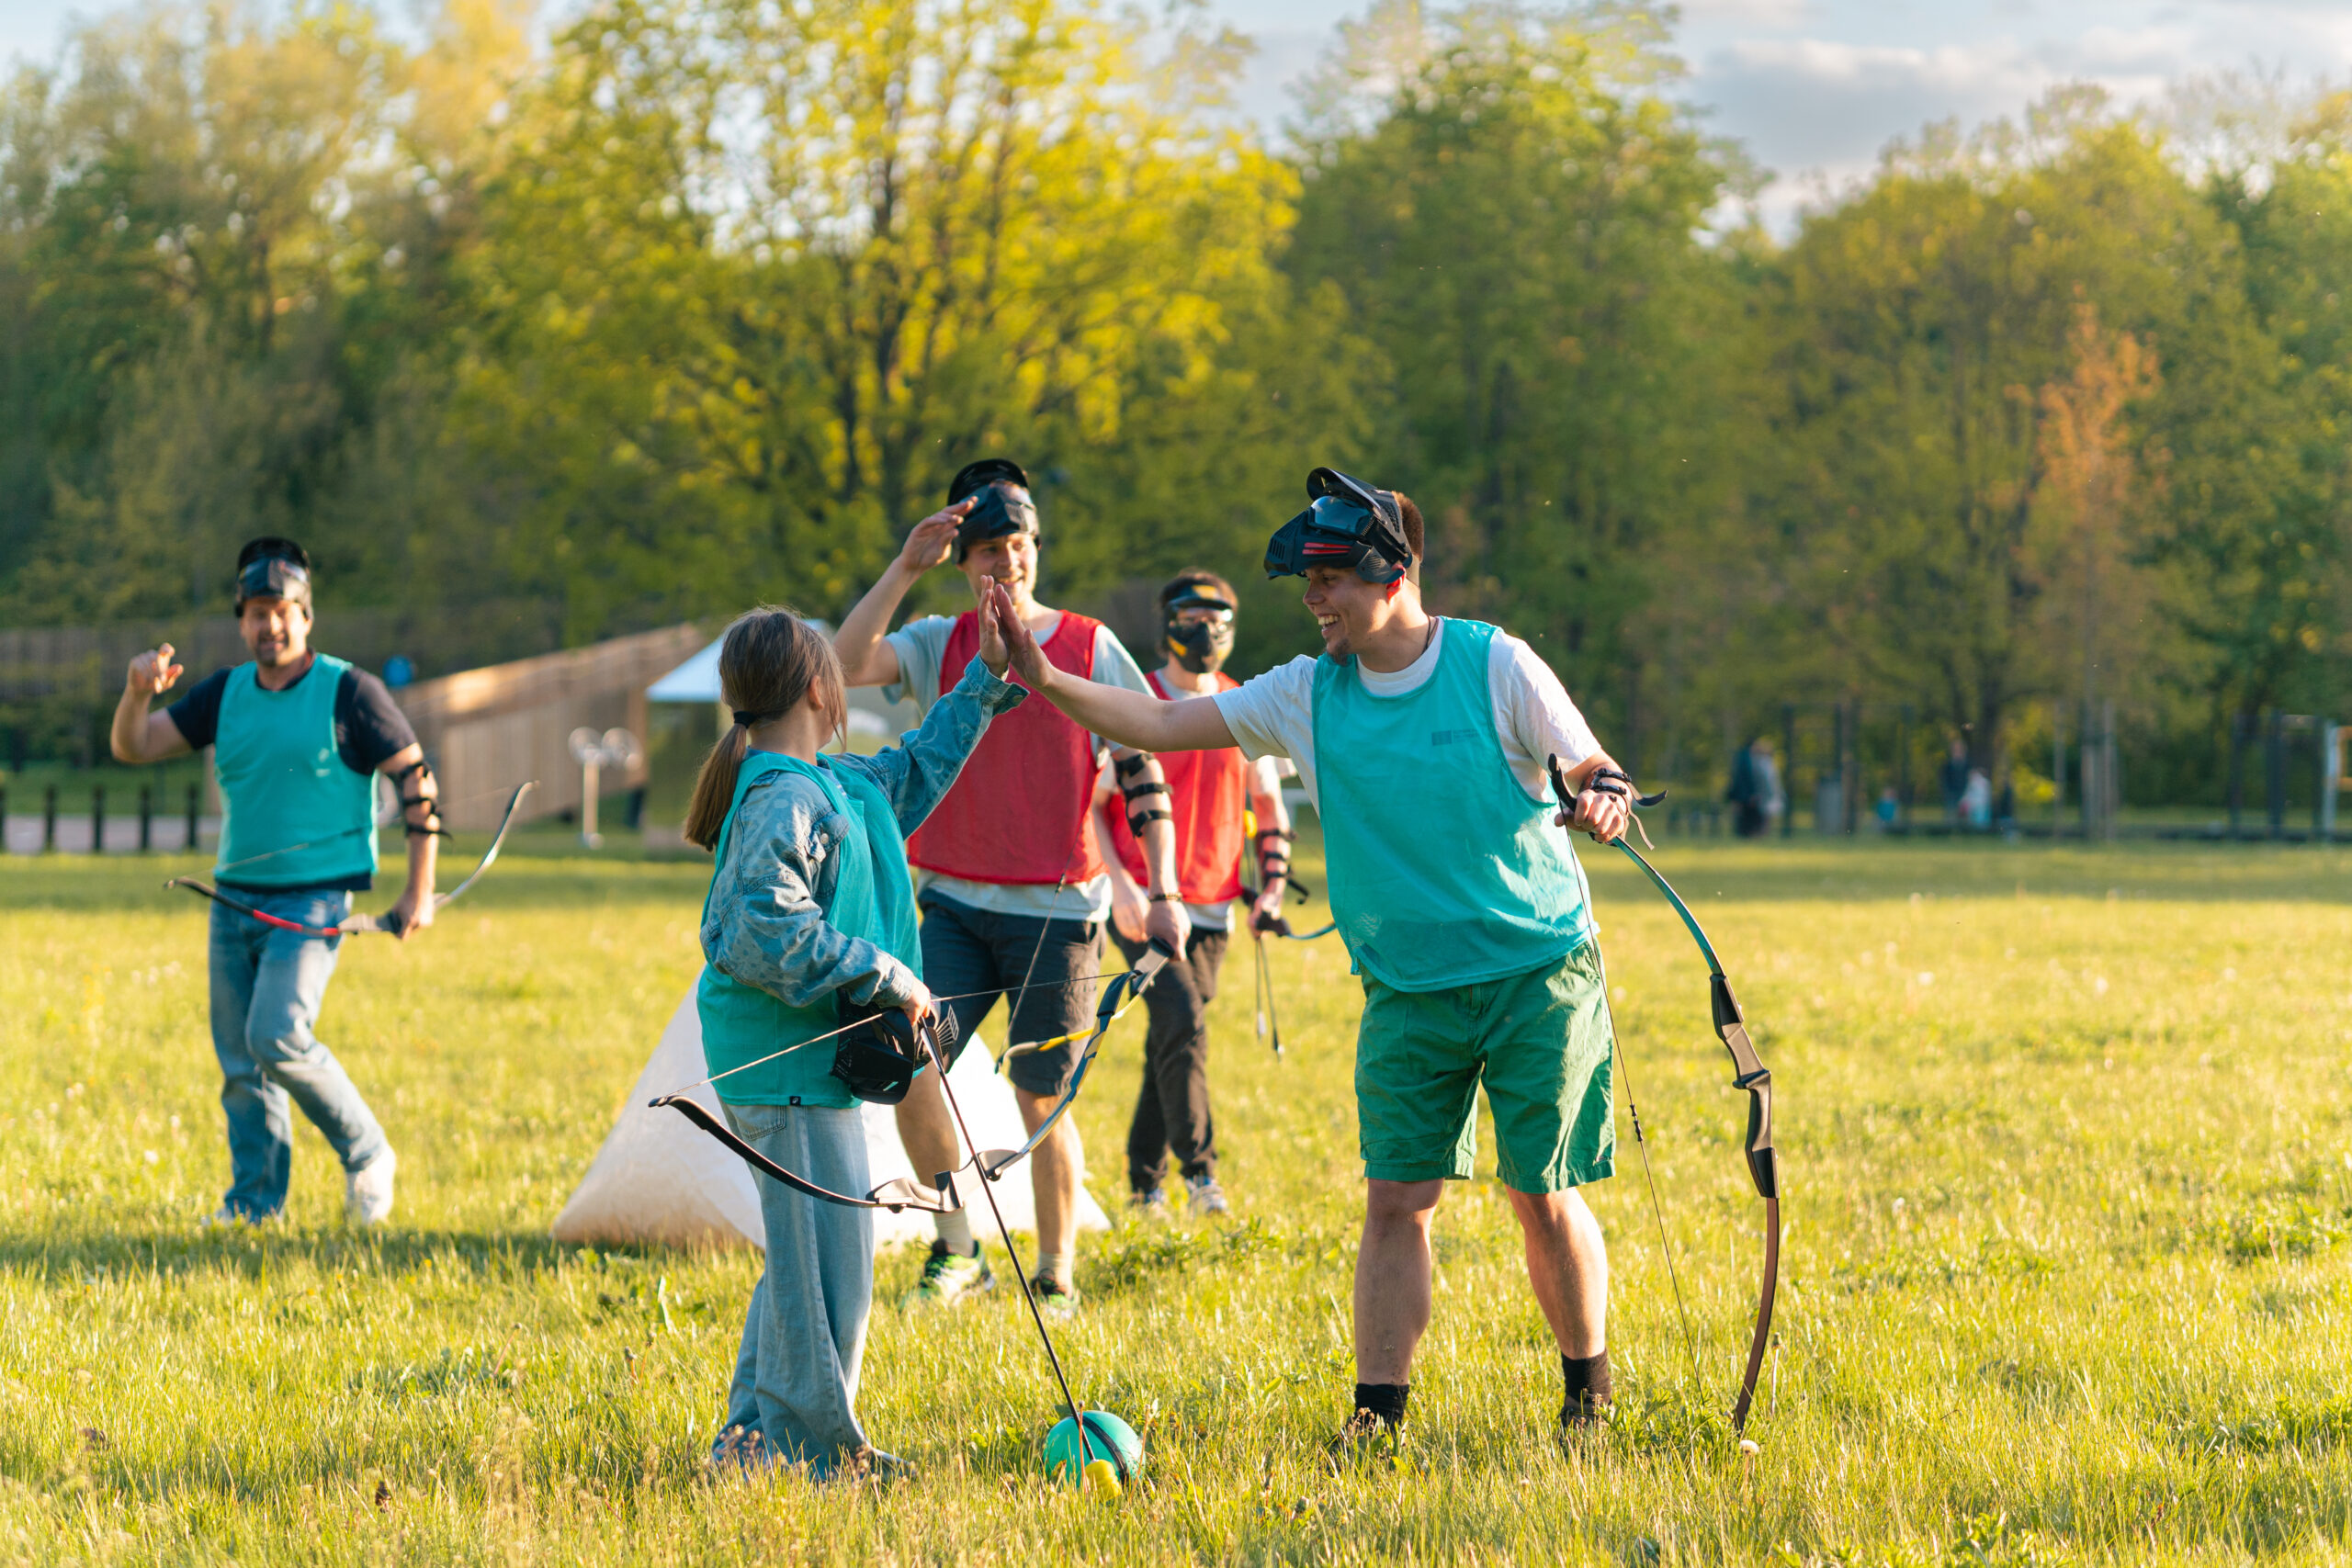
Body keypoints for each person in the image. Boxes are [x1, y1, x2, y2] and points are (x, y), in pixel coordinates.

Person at [981, 467, 1636, 1449]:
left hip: (1534, 971)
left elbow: (1588, 762)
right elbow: (1159, 724)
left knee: (1538, 1194)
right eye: (1308, 584)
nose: (1314, 600)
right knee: (1394, 1203)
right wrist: (1041, 677)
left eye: (1330, 579)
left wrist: (1602, 793)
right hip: (1407, 992)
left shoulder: (1494, 663)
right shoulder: (1301, 694)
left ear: (1392, 575)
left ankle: (1588, 1396)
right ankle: (1376, 1422)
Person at [831, 459, 1189, 1317]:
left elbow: (1143, 769)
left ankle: (1057, 1271)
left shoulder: (1089, 643)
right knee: (912, 1065)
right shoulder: (936, 641)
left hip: (1059, 910)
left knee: (1040, 1092)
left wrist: (1165, 886)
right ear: (965, 563)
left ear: (1036, 548)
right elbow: (842, 664)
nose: (1006, 563)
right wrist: (905, 566)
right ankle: (958, 1250)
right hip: (952, 901)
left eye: (1017, 545)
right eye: (987, 550)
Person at [690, 598, 1024, 1481]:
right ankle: (815, 1454)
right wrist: (884, 970)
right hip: (781, 1065)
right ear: (815, 687)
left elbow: (917, 765)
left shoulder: (835, 783)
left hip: (806, 1070)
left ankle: (750, 1444)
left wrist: (984, 680)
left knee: (802, 1262)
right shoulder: (780, 795)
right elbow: (759, 926)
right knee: (834, 1270)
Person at [108, 538, 439, 1226]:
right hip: (231, 899)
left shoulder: (350, 690)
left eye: (282, 610)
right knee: (240, 1063)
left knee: (276, 1032)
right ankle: (255, 1203)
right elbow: (133, 746)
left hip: (314, 899)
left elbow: (416, 778)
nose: (270, 625)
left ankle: (368, 1151)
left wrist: (418, 889)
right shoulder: (223, 694)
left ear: (306, 616)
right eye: (256, 612)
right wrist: (136, 693)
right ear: (241, 621)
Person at [1091, 571, 1294, 1220]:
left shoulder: (1246, 707)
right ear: (1166, 624)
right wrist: (1121, 886)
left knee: (1170, 1041)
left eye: (1217, 618)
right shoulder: (1133, 701)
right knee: (1184, 1024)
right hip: (1144, 903)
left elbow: (1270, 806)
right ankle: (1201, 1176)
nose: (1203, 630)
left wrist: (1273, 892)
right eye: (1189, 616)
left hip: (1215, 907)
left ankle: (1142, 1183)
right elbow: (1095, 808)